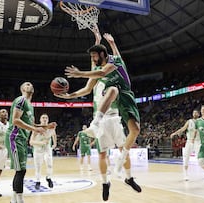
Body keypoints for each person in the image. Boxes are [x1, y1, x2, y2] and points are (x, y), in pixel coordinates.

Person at [55, 31, 141, 201]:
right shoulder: (95, 78)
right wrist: (69, 96)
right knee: (102, 155)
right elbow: (86, 88)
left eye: (95, 56)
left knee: (124, 148)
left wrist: (108, 43)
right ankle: (105, 182)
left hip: (114, 114)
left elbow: (106, 64)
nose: (93, 60)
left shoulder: (107, 74)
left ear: (101, 56)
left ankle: (129, 177)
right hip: (100, 118)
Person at [5, 82, 56, 203]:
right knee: (21, 170)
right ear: (22, 88)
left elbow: (31, 124)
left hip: (22, 139)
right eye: (27, 84)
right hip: (15, 137)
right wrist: (35, 129)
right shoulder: (21, 100)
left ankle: (14, 199)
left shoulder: (30, 106)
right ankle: (20, 200)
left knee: (21, 170)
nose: (29, 85)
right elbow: (16, 121)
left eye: (31, 85)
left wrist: (46, 126)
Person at [170, 110, 200, 181]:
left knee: (200, 158)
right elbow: (183, 129)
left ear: (199, 114)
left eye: (196, 113)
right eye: (193, 113)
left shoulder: (201, 121)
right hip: (189, 141)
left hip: (198, 141)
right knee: (186, 157)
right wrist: (174, 133)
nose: (194, 114)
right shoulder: (189, 121)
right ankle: (186, 174)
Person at [29, 113, 57, 190]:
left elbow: (54, 135)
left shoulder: (51, 128)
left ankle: (49, 178)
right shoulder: (36, 129)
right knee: (38, 167)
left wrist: (55, 143)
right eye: (43, 117)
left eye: (46, 118)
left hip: (47, 149)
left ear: (48, 120)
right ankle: (38, 181)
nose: (45, 119)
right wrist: (41, 143)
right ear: (40, 120)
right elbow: (31, 142)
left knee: (50, 164)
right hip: (38, 150)